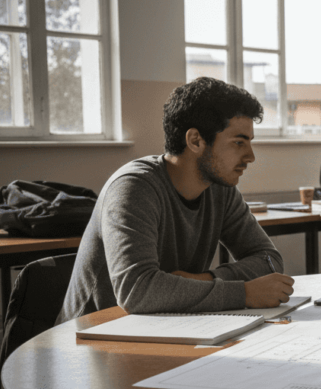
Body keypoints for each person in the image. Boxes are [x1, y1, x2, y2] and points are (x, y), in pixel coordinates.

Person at [57, 78, 295, 323]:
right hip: (91, 341)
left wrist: (207, 280)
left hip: (165, 329)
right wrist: (243, 293)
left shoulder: (219, 189)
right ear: (195, 141)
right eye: (238, 142)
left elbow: (269, 260)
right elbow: (137, 292)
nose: (250, 156)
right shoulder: (133, 188)